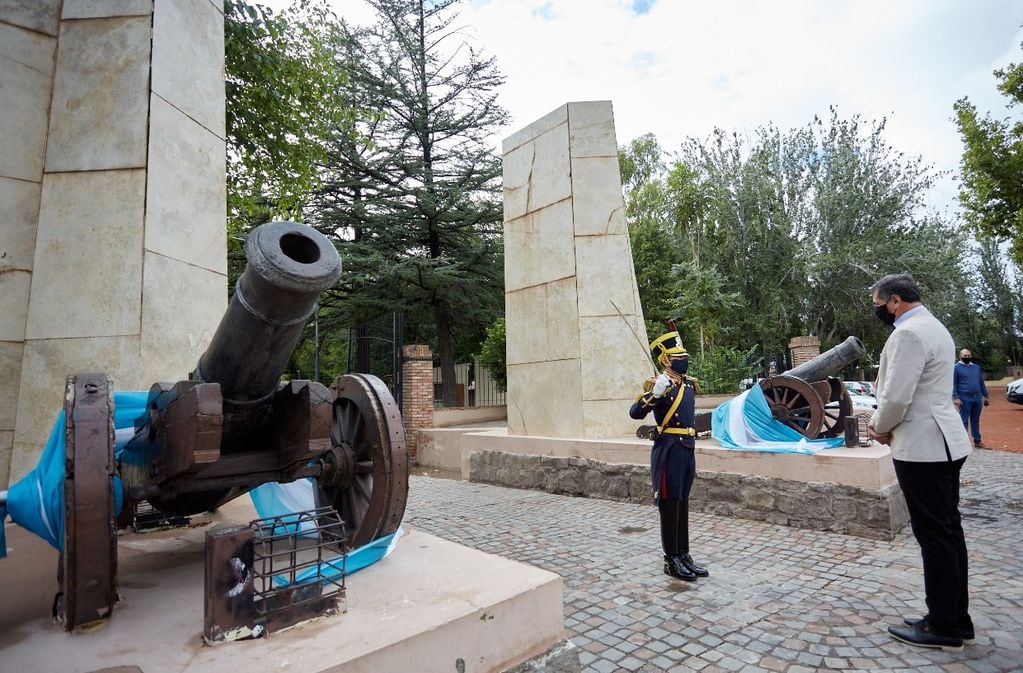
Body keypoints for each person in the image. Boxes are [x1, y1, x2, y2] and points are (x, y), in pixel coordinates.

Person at [866, 273, 974, 652]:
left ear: (895, 301)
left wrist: (879, 427)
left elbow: (896, 396)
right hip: (944, 441)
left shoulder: (908, 334)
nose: (878, 311)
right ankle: (956, 617)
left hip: (922, 447)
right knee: (948, 532)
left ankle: (942, 625)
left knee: (934, 536)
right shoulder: (936, 327)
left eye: (879, 304)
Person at [629, 330, 708, 582]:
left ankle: (683, 554)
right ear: (665, 359)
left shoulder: (688, 384)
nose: (683, 359)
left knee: (682, 501)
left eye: (684, 355)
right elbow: (635, 413)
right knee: (669, 503)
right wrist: (655, 394)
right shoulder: (657, 384)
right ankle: (670, 559)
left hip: (687, 448)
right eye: (677, 356)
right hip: (669, 448)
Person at [952, 348, 990, 448]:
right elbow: (953, 384)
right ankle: (963, 443)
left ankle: (977, 441)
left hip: (977, 397)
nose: (967, 357)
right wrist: (955, 397)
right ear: (960, 357)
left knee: (975, 420)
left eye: (969, 355)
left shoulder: (976, 367)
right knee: (964, 420)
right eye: (965, 356)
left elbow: (981, 382)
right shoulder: (956, 368)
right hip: (964, 398)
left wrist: (985, 395)